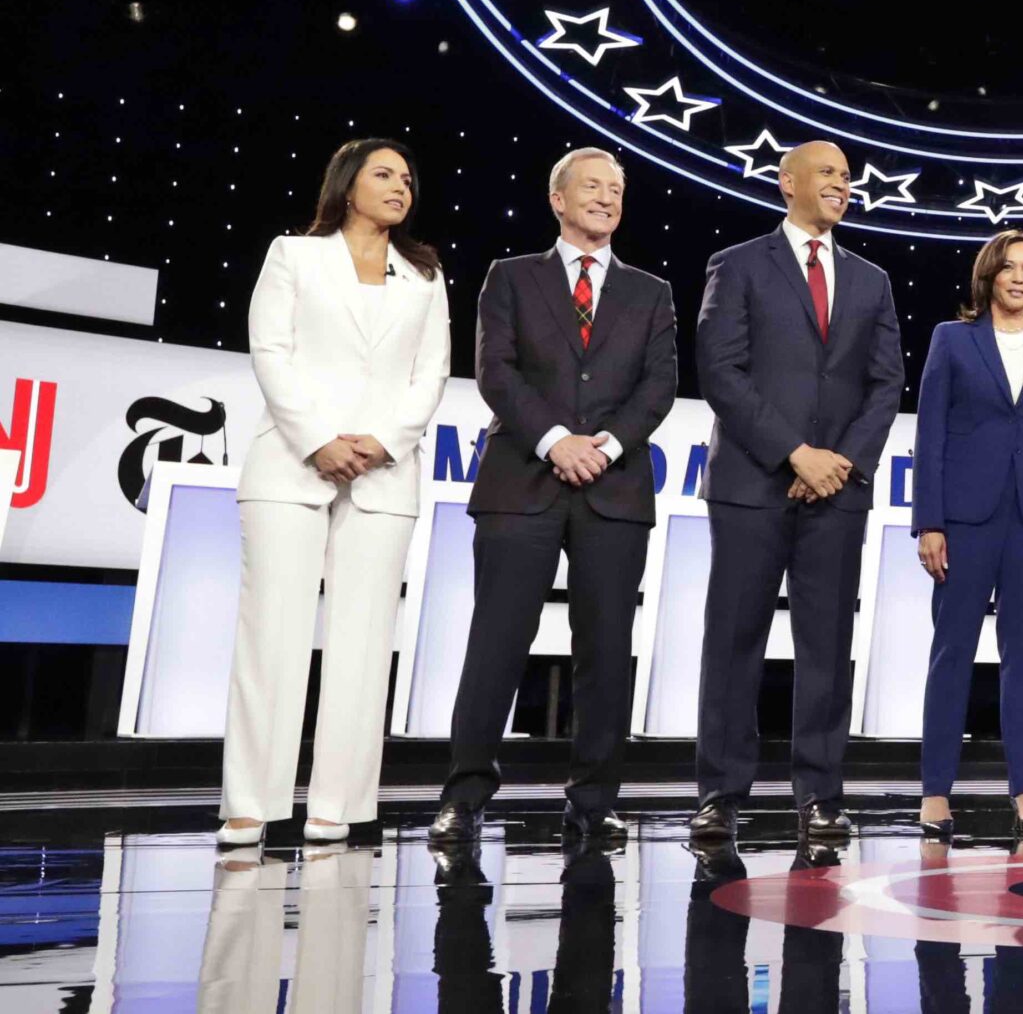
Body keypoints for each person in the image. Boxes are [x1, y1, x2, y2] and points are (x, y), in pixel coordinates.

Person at [430, 147, 678, 847]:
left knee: (605, 651)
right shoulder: (510, 277)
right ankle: (466, 794)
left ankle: (594, 803)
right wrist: (555, 441)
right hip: (522, 482)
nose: (605, 198)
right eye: (592, 187)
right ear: (558, 200)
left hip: (614, 488)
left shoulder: (652, 291)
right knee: (496, 644)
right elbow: (495, 371)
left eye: (617, 189)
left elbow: (658, 386)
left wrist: (601, 446)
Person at [218, 138, 451, 847]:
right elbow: (271, 351)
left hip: (384, 472)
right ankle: (251, 803)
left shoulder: (425, 273)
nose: (399, 186)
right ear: (347, 185)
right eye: (384, 174)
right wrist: (320, 439)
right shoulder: (294, 254)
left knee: (362, 641)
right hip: (292, 463)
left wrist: (379, 441)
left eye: (408, 178)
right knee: (274, 635)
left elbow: (431, 372)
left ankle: (338, 805)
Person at [691, 140, 905, 842]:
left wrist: (839, 460)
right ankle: (721, 794)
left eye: (847, 176)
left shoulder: (871, 280)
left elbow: (885, 384)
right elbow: (721, 371)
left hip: (836, 492)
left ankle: (820, 795)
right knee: (734, 640)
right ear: (788, 184)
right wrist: (795, 453)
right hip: (754, 484)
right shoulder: (739, 264)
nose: (842, 184)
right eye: (828, 174)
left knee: (826, 643)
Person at [913, 230, 1023, 839]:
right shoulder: (952, 340)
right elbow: (929, 435)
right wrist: (929, 522)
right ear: (988, 277)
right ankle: (936, 791)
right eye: (1009, 268)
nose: (1019, 278)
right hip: (964, 519)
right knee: (952, 651)